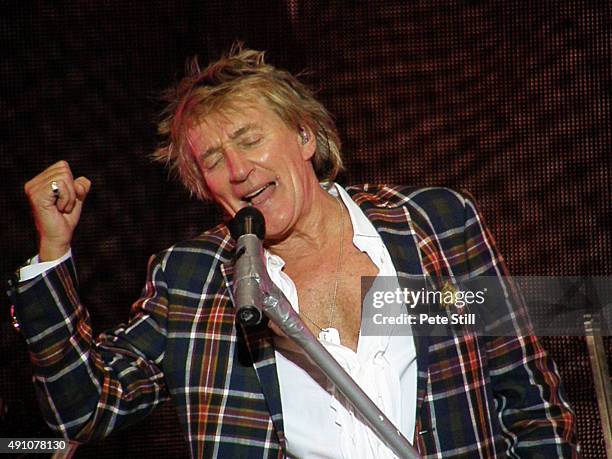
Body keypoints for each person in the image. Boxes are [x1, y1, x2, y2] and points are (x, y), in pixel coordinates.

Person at [9, 45, 579, 458]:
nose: (237, 170)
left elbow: (528, 402)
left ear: (305, 137)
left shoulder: (434, 225)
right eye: (212, 161)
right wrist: (53, 254)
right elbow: (84, 408)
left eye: (250, 139)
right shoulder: (194, 281)